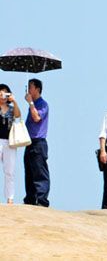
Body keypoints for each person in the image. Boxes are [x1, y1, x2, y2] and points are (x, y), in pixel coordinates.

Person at [23, 78, 50, 207]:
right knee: (29, 172)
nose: (28, 90)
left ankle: (42, 200)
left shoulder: (43, 104)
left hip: (38, 143)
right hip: (29, 142)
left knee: (40, 172)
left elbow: (37, 117)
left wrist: (30, 103)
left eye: (30, 87)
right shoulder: (33, 104)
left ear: (37, 89)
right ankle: (30, 199)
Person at [0, 84, 22, 204]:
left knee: (9, 171)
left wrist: (15, 102)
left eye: (5, 93)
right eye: (0, 93)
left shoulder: (11, 108)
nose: (3, 96)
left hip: (9, 141)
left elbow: (18, 116)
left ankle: (10, 198)